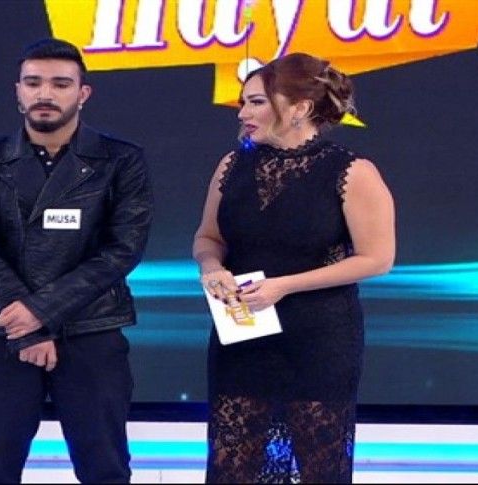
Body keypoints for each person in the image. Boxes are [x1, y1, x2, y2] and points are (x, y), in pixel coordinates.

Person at [0, 38, 153, 483]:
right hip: (4, 329)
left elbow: (123, 249)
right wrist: (27, 327)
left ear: (83, 93)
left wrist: (40, 313)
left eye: (60, 84)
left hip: (91, 329)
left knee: (105, 469)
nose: (45, 93)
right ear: (18, 91)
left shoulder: (122, 161)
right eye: (33, 83)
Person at [192, 52, 395, 483]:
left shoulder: (351, 172)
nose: (242, 113)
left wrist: (284, 285)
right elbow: (209, 238)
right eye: (243, 102)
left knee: (319, 467)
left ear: (299, 108)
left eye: (256, 102)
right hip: (242, 336)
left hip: (319, 339)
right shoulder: (231, 166)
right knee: (232, 466)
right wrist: (211, 269)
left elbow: (377, 258)